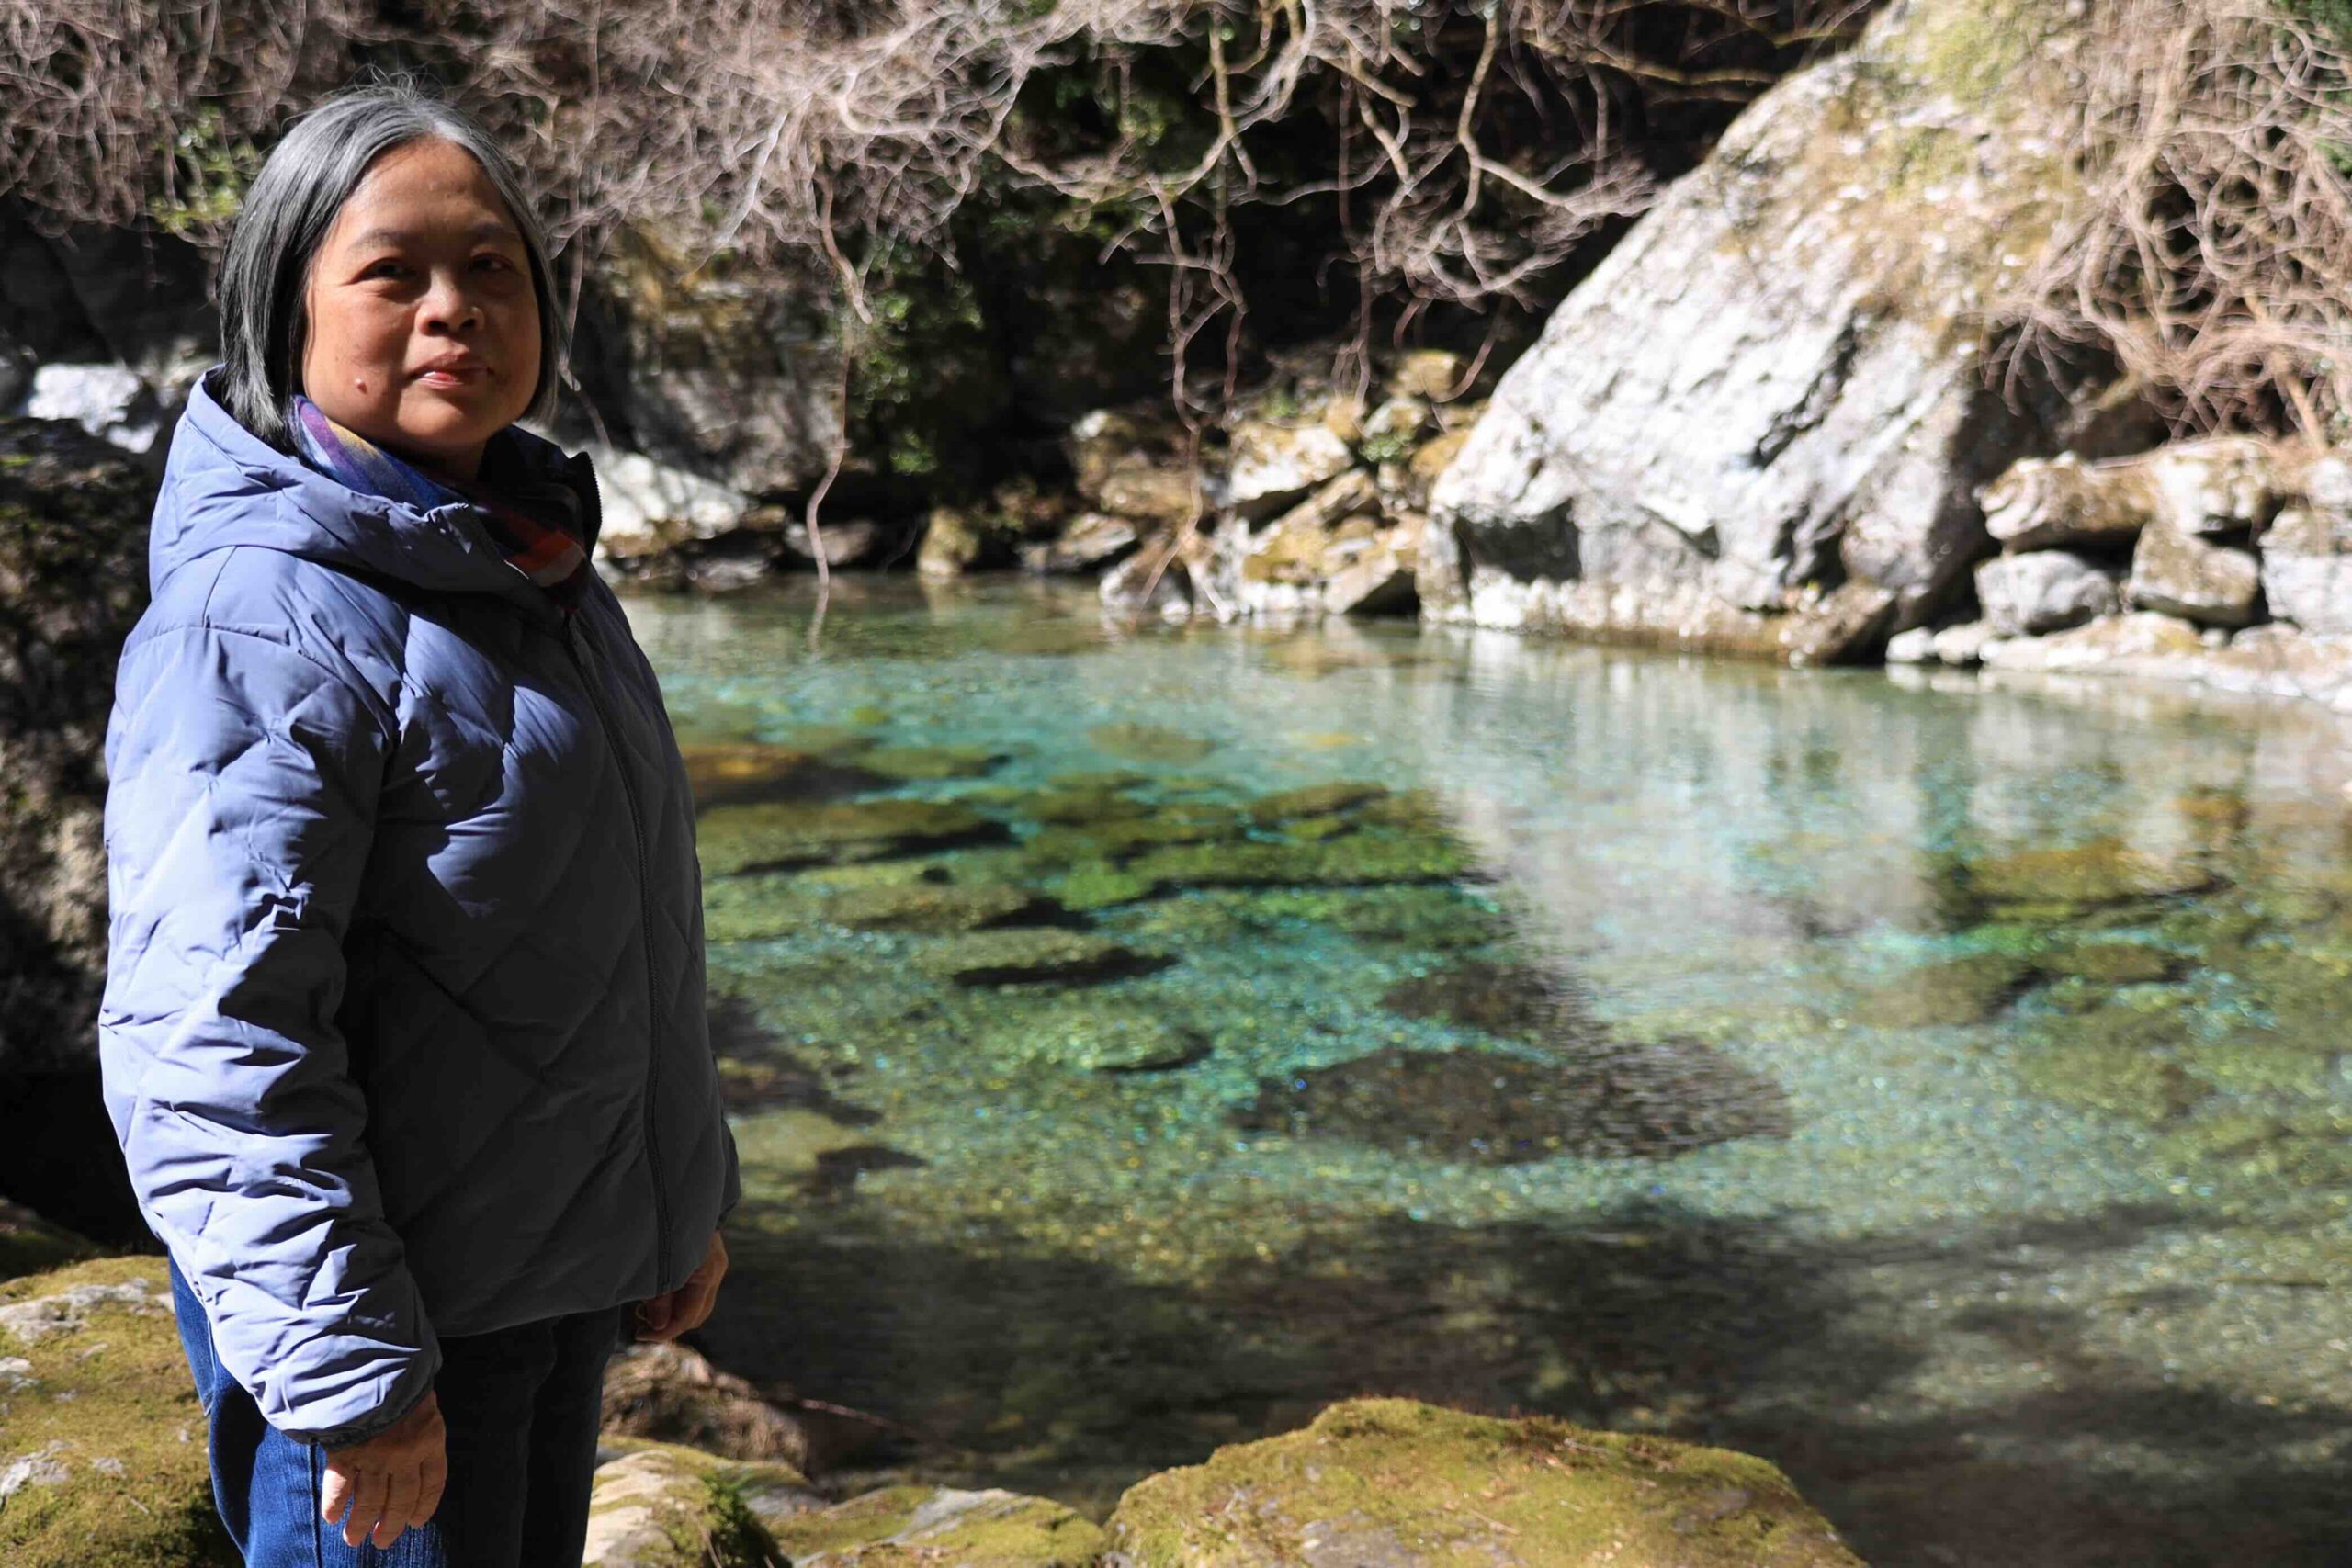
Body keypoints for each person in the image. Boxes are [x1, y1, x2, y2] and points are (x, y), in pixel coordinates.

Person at [96, 77, 740, 1566]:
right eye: (393, 272)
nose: (454, 309)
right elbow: (209, 1033)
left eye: (492, 268)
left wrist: (672, 1195)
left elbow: (616, 923)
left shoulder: (534, 571)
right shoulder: (261, 617)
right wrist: (349, 1375)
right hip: (388, 1350)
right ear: (286, 310)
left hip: (544, 1296)